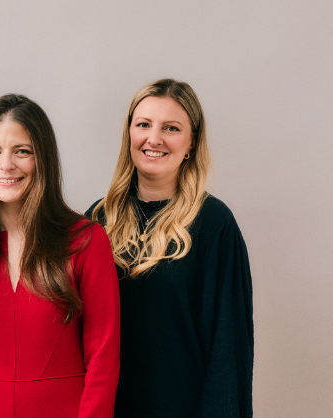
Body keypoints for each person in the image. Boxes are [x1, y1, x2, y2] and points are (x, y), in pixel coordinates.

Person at [0, 94, 120, 418]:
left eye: (22, 151)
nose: (6, 165)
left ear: (42, 159)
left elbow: (103, 360)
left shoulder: (86, 242)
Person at [86, 79, 254, 417]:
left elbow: (228, 348)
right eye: (143, 124)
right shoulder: (96, 220)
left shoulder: (213, 224)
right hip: (108, 409)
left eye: (171, 128)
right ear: (129, 134)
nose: (154, 139)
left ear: (191, 143)